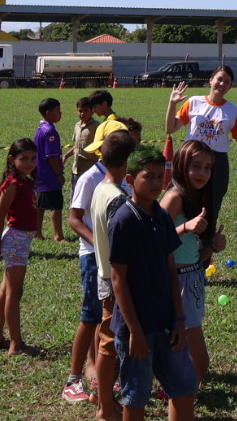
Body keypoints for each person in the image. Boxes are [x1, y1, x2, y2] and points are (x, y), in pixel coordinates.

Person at [107, 142, 199, 421]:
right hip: (137, 329)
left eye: (161, 176)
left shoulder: (161, 215)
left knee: (184, 390)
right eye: (149, 176)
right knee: (136, 398)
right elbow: (118, 279)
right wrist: (134, 331)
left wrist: (180, 319)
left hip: (167, 323)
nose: (157, 183)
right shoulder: (124, 219)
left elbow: (171, 269)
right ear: (131, 180)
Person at [62, 133, 128, 407]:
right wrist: (99, 245)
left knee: (107, 321)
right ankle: (73, 379)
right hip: (94, 256)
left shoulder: (123, 178)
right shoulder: (91, 178)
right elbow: (74, 219)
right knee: (90, 317)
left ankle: (104, 376)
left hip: (111, 258)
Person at [160, 139, 223, 385]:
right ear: (181, 166)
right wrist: (185, 227)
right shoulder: (174, 197)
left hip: (191, 276)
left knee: (179, 350)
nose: (203, 173)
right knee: (199, 361)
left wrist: (212, 246)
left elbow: (192, 255)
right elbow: (153, 238)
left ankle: (175, 396)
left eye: (207, 167)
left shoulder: (194, 197)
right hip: (177, 281)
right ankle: (179, 400)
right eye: (196, 166)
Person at [165, 66, 237, 223]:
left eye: (227, 82)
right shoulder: (193, 102)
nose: (222, 84)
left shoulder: (232, 111)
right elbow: (170, 128)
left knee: (210, 208)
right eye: (219, 79)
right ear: (211, 80)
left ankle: (205, 243)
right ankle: (173, 237)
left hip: (217, 163)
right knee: (180, 200)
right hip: (190, 158)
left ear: (230, 87)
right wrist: (172, 103)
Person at [90, 130, 138, 421]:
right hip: (115, 278)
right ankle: (105, 407)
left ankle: (102, 398)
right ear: (126, 162)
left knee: (107, 336)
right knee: (110, 343)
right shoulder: (118, 199)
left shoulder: (101, 188)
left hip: (103, 273)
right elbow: (124, 247)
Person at [0, 137, 43, 356]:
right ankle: (16, 343)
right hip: (15, 240)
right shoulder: (12, 184)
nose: (29, 163)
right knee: (14, 293)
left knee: (5, 291)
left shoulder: (25, 181)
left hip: (22, 240)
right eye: (23, 158)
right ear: (12, 159)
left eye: (32, 158)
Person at [35, 98, 67, 242]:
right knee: (56, 205)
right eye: (58, 111)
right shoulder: (50, 131)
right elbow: (52, 156)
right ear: (48, 113)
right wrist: (59, 173)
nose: (60, 113)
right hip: (50, 175)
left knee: (40, 204)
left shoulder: (40, 129)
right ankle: (58, 235)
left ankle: (37, 232)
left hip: (40, 173)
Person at [71, 96, 99, 185]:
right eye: (80, 111)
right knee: (74, 195)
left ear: (92, 111)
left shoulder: (97, 126)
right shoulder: (77, 125)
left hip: (90, 170)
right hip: (76, 169)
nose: (82, 114)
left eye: (85, 111)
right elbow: (76, 146)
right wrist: (66, 156)